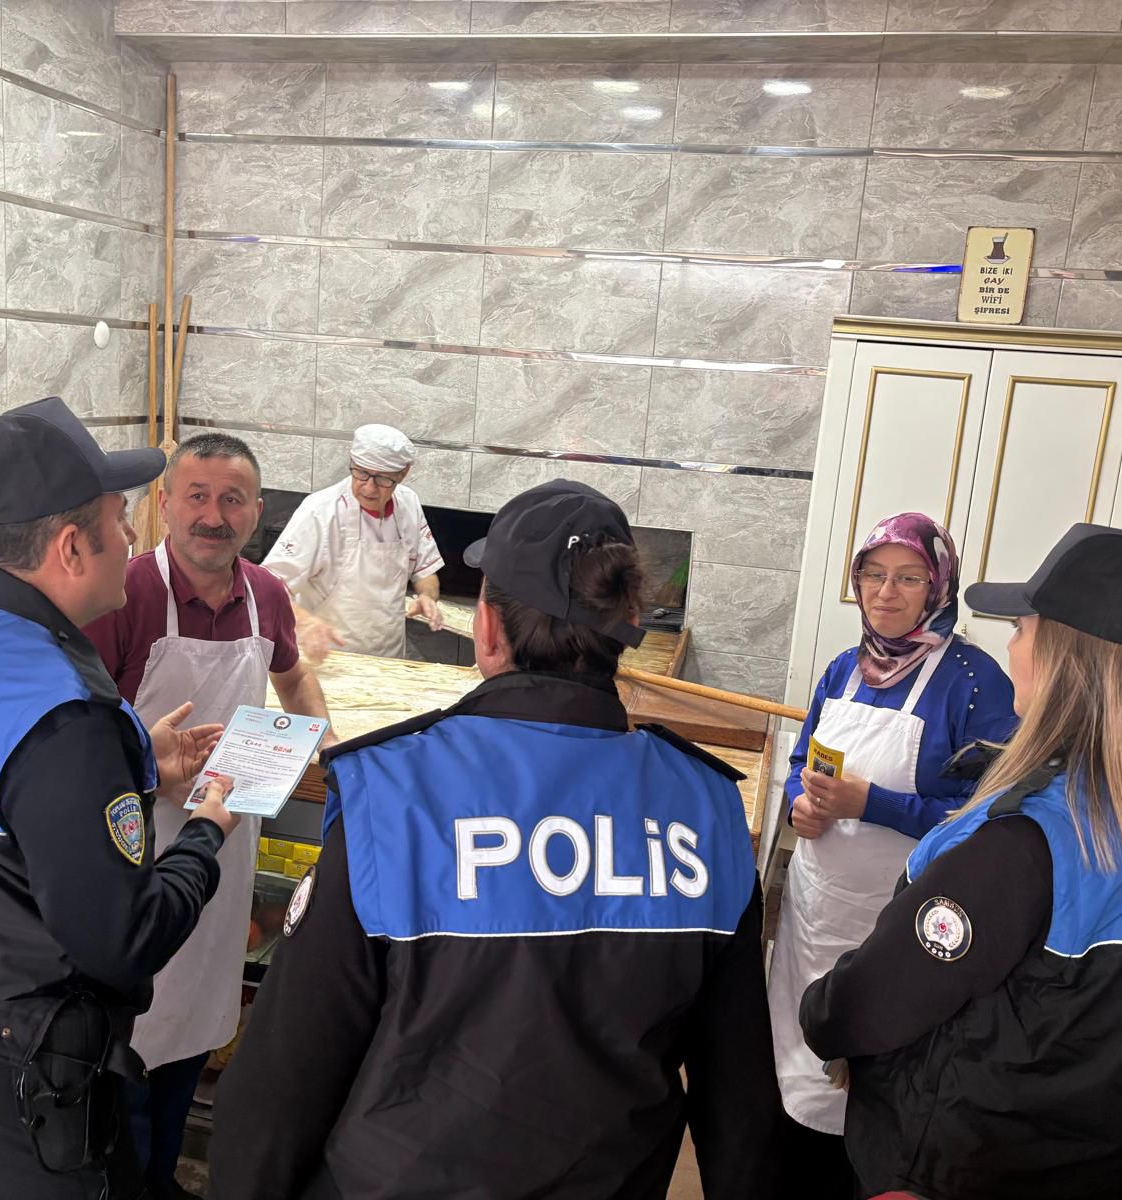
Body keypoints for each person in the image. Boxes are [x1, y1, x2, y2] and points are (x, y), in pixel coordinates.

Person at [207, 480, 777, 1199]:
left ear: (485, 629)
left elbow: (282, 1081)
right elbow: (742, 1109)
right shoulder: (706, 810)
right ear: (628, 628)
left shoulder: (397, 792)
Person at [0, 397, 241, 1200]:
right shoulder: (65, 719)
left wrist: (132, 768)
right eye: (120, 520)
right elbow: (125, 941)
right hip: (17, 1074)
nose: (131, 539)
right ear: (69, 547)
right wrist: (205, 832)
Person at [801, 524, 1122, 1200]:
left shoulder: (1025, 843)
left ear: (1065, 657)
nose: (1011, 646)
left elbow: (873, 1000)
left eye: (1022, 629)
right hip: (1083, 1160)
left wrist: (821, 1014)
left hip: (955, 1166)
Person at [82, 432, 333, 1200]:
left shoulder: (267, 596)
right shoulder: (124, 594)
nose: (212, 516)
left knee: (194, 1026)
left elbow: (295, 677)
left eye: (232, 500)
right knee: (132, 1035)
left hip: (226, 846)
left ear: (256, 512)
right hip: (135, 847)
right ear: (164, 506)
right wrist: (148, 771)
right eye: (196, 496)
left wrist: (328, 749)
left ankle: (160, 1178)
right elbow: (78, 735)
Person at [767, 512, 1016, 1199]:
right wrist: (801, 803)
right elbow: (801, 761)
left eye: (908, 578)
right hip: (814, 914)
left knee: (875, 1092)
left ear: (939, 586)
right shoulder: (844, 670)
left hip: (900, 927)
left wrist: (872, 804)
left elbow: (990, 820)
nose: (886, 592)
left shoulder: (976, 684)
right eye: (873, 575)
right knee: (796, 1067)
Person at [261, 423, 443, 661]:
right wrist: (304, 623)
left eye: (382, 478)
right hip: (329, 659)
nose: (369, 487)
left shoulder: (409, 503)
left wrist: (427, 596)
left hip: (389, 661)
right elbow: (268, 587)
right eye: (361, 473)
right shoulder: (320, 511)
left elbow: (424, 570)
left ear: (403, 473)